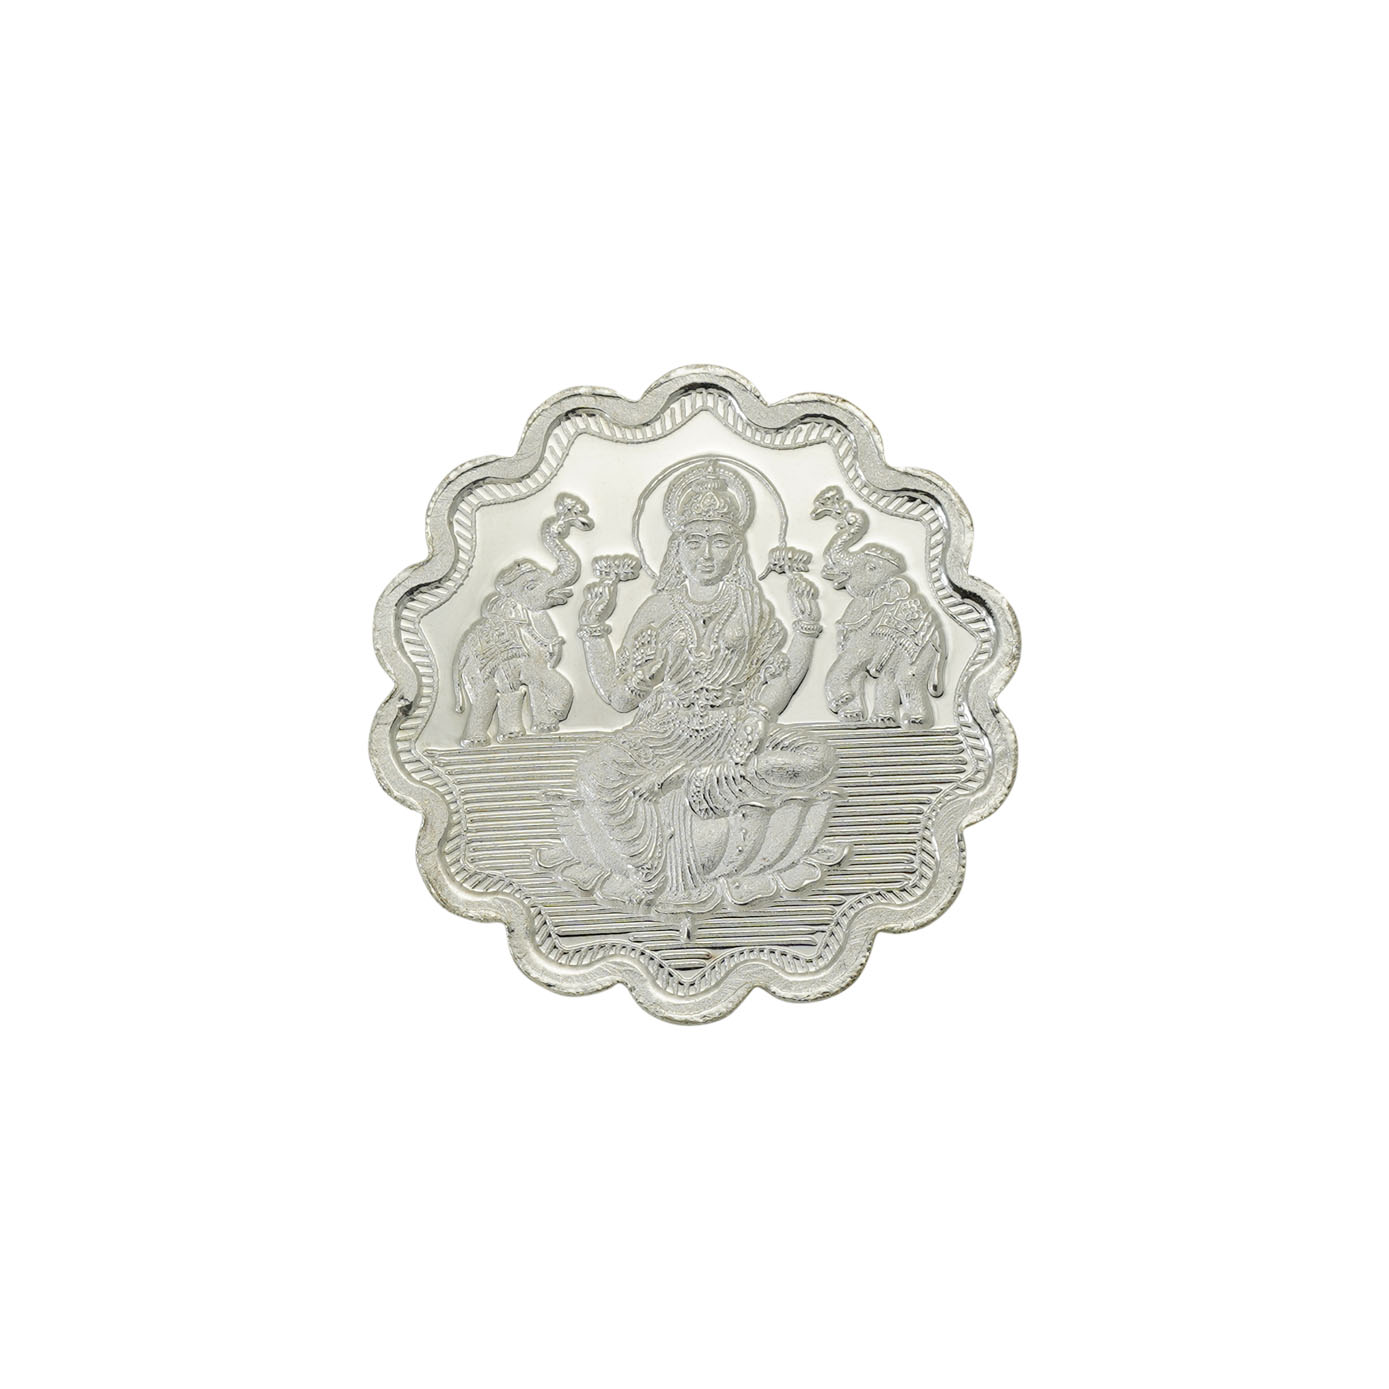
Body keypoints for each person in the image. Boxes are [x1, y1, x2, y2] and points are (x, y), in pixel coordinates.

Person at [538, 460, 842, 919]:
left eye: (720, 541)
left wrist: (803, 632)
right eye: (694, 541)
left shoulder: (753, 607)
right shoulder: (657, 608)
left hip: (735, 729)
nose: (707, 555)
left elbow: (775, 681)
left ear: (737, 548)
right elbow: (620, 698)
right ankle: (653, 869)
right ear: (676, 547)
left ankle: (704, 782)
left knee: (818, 758)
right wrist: (593, 629)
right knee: (594, 775)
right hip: (665, 732)